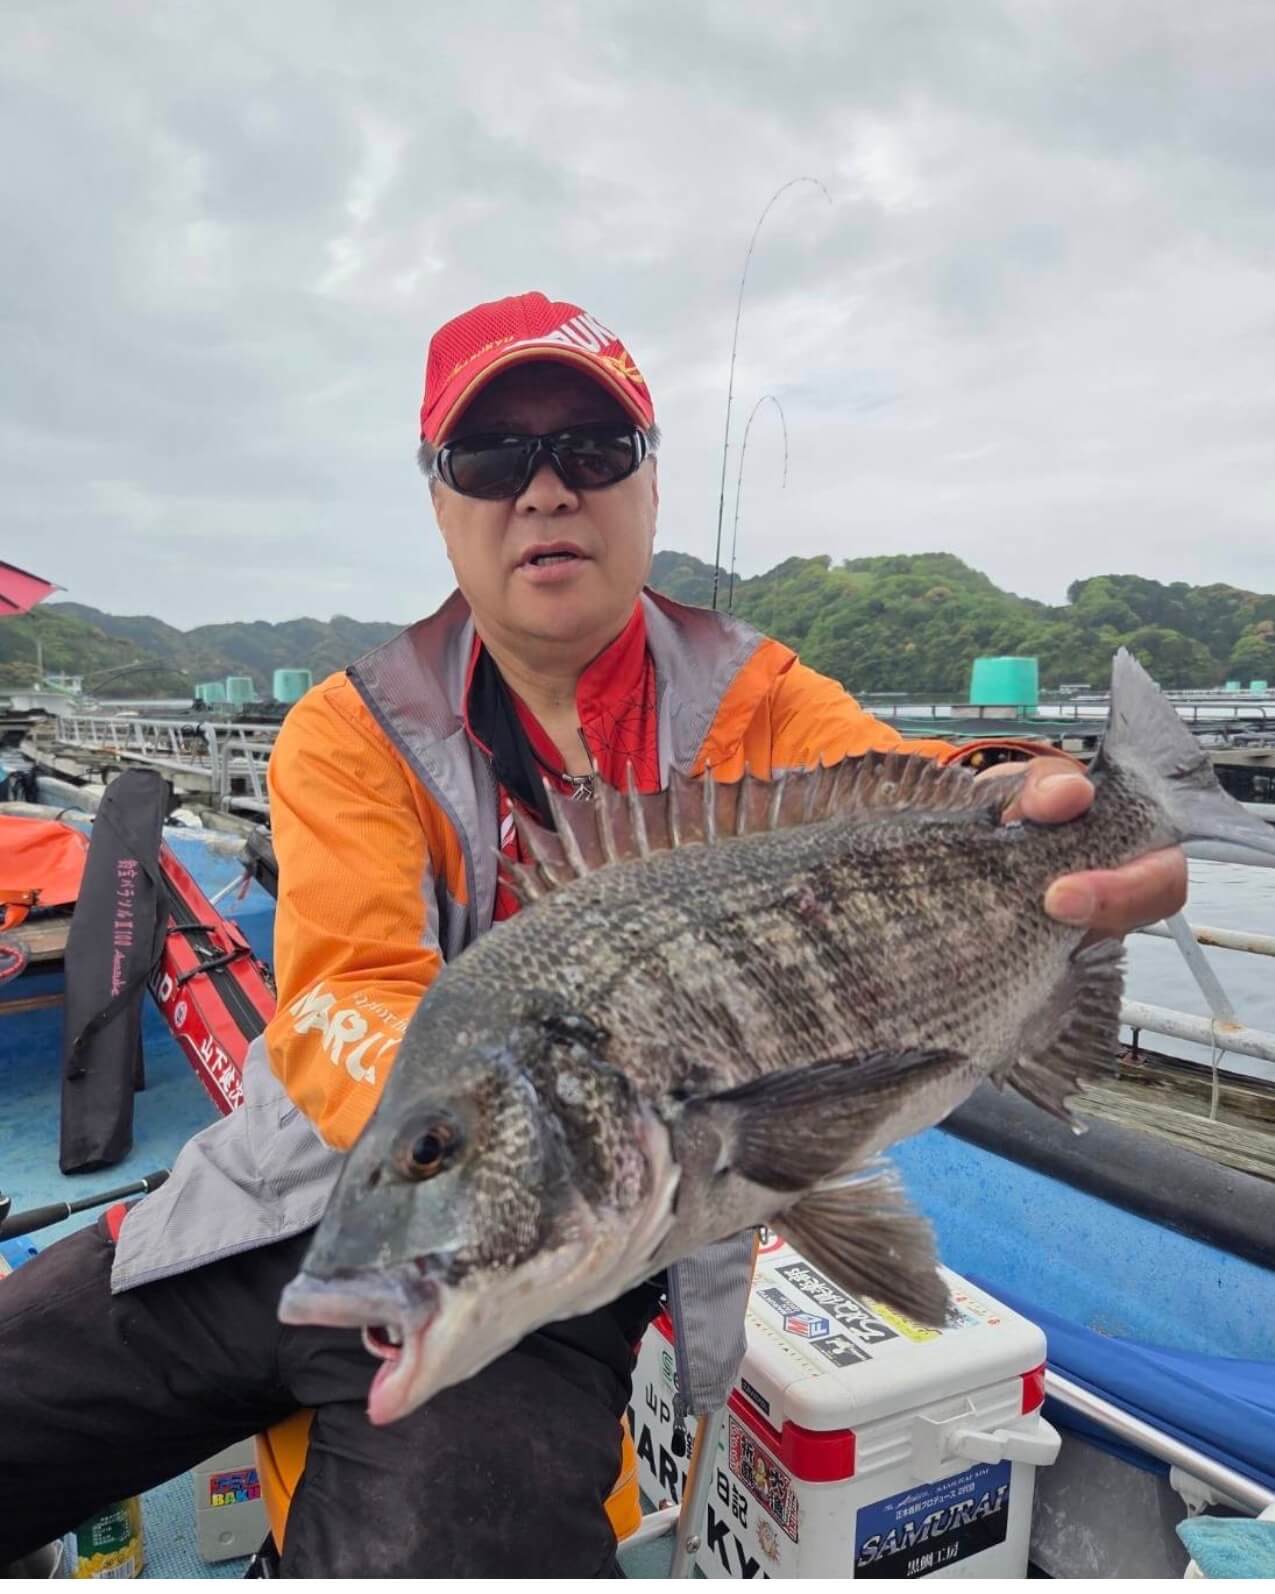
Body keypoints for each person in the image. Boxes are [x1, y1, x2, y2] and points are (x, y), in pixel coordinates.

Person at [0, 291, 1186, 1578]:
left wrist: (1036, 789)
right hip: (272, 1210)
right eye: (493, 457)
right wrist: (466, 1142)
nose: (547, 490)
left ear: (652, 488)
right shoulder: (350, 729)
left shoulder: (762, 696)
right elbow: (346, 987)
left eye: (594, 450)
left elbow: (905, 781)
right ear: (442, 502)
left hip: (558, 1272)